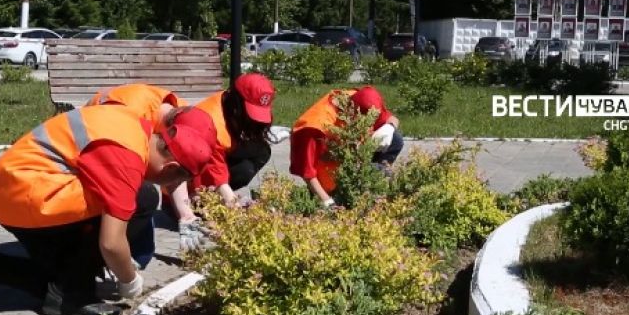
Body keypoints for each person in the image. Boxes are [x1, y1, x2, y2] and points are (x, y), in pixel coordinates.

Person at [0, 105, 214, 315]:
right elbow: (111, 242)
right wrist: (130, 281)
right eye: (176, 181)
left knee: (61, 277)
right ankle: (69, 296)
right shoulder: (127, 159)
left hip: (18, 186)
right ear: (170, 168)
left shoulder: (136, 128)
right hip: (27, 193)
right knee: (136, 201)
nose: (171, 187)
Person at [83, 83, 217, 267]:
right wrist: (117, 255)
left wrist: (186, 215)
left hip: (112, 158)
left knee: (142, 254)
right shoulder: (131, 113)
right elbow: (115, 169)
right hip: (86, 162)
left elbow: (173, 170)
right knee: (143, 197)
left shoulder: (182, 116)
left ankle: (128, 258)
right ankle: (97, 259)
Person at [169, 73, 276, 250]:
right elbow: (217, 175)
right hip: (179, 189)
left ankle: (214, 200)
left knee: (261, 151)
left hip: (211, 164)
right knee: (237, 177)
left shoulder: (226, 103)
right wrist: (239, 215)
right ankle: (199, 203)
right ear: (237, 103)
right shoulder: (209, 122)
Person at [290, 86, 402, 207]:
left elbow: (392, 118)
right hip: (330, 179)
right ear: (351, 111)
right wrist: (327, 202)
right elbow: (306, 171)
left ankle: (374, 187)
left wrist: (390, 127)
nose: (368, 126)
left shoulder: (363, 99)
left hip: (353, 161)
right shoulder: (314, 128)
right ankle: (340, 195)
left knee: (395, 139)